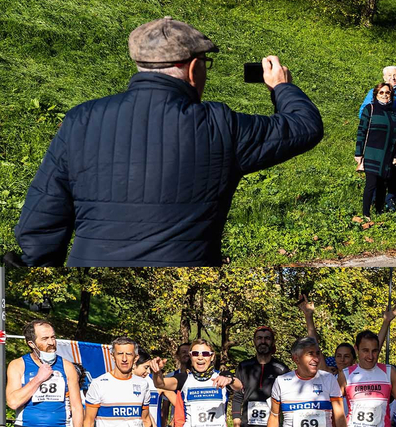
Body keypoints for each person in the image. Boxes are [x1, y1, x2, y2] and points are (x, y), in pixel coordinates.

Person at [16, 17, 323, 266]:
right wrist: (281, 87)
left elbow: (41, 221)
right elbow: (305, 126)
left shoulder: (80, 120)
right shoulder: (221, 126)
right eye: (205, 62)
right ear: (192, 67)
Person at [358, 66, 396, 210]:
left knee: (392, 174)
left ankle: (390, 200)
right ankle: (372, 204)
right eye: (390, 75)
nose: (393, 77)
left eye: (395, 75)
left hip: (395, 139)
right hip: (377, 140)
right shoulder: (374, 95)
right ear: (384, 78)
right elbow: (364, 114)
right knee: (374, 178)